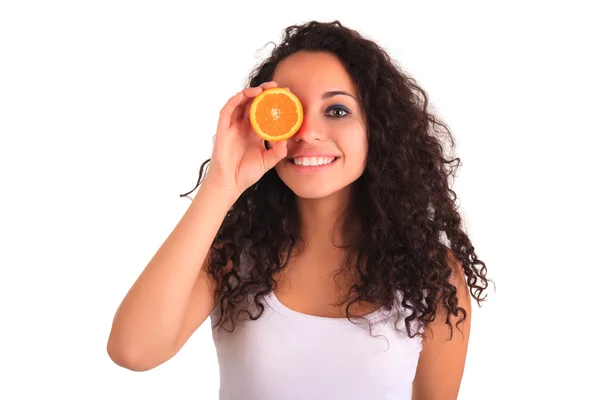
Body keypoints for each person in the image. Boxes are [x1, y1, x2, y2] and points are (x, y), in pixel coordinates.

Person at [107, 20, 491, 399]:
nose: (307, 132)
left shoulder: (433, 275)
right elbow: (133, 351)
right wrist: (222, 184)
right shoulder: (231, 258)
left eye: (337, 110)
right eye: (287, 110)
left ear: (377, 128)